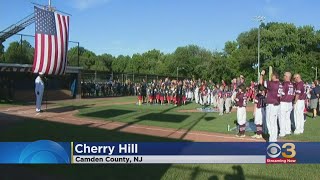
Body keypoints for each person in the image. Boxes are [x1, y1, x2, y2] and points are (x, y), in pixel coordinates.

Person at [260, 69, 282, 142]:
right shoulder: (280, 83)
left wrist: (262, 74)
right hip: (277, 104)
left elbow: (261, 82)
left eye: (272, 76)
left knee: (270, 122)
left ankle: (272, 139)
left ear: (274, 76)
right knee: (274, 122)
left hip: (271, 104)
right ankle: (274, 138)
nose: (271, 77)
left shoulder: (272, 83)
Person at [279, 72, 295, 137]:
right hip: (289, 102)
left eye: (284, 75)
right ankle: (288, 131)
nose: (283, 77)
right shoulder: (292, 84)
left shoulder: (284, 84)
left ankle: (282, 132)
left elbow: (280, 94)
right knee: (287, 118)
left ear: (286, 76)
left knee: (281, 118)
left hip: (283, 102)